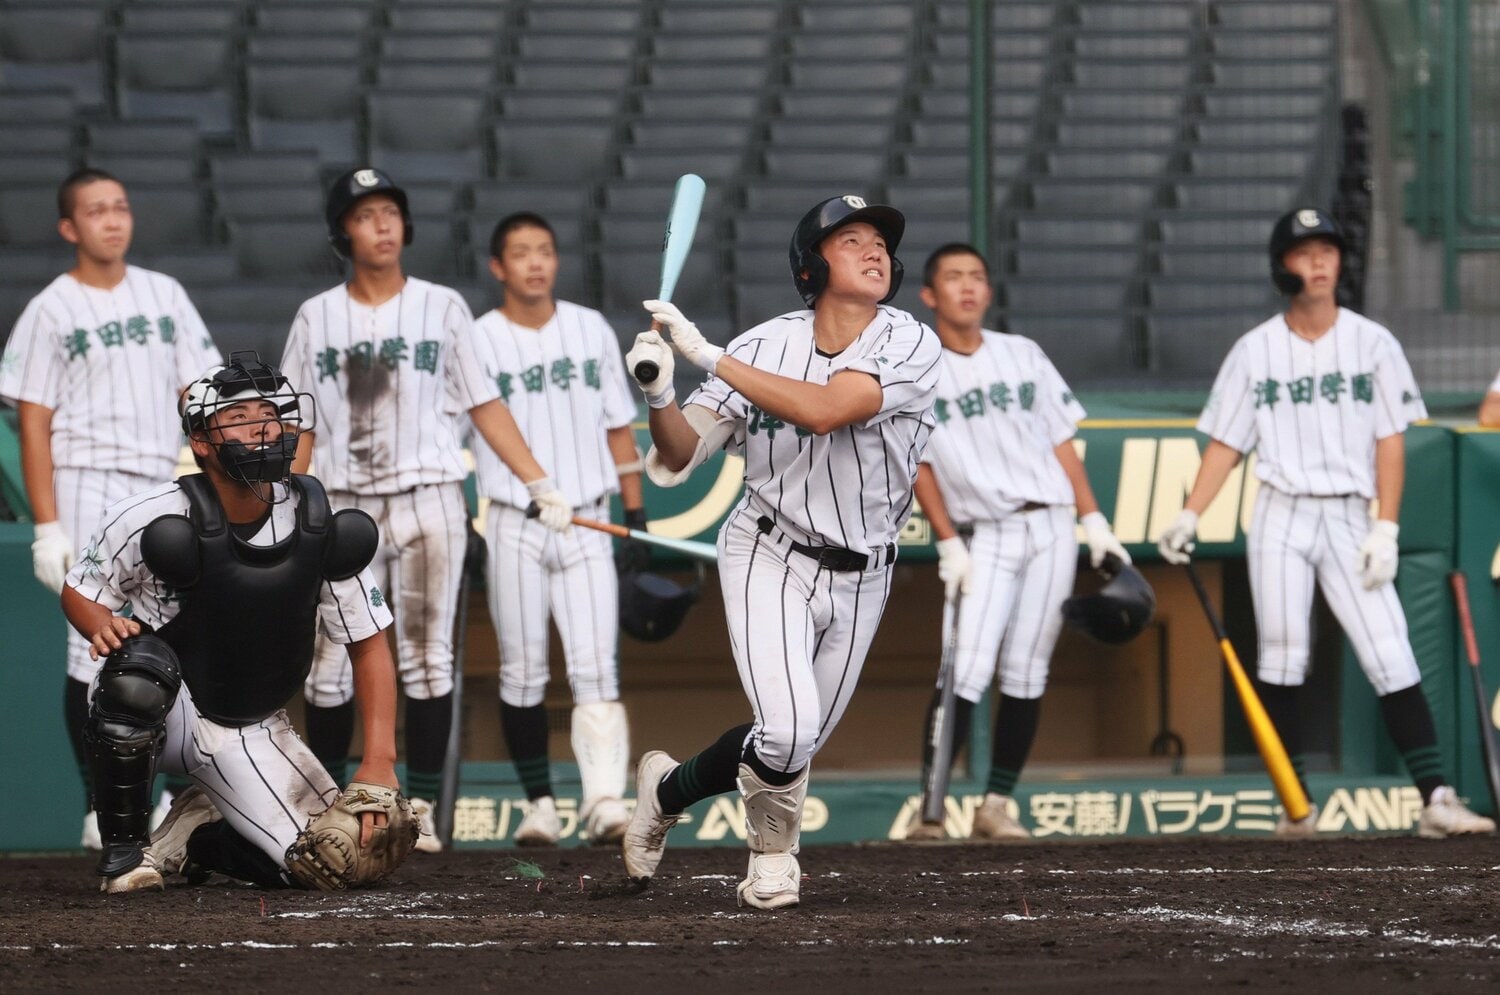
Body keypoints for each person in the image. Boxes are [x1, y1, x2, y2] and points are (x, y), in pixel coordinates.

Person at [619, 195, 941, 909]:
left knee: (787, 744)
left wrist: (705, 355)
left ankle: (667, 788)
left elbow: (828, 408)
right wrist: (661, 390)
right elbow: (678, 455)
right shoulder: (764, 345)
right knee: (789, 729)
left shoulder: (910, 341)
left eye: (880, 240)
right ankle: (774, 855)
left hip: (866, 571)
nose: (874, 249)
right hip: (770, 548)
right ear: (810, 264)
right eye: (850, 238)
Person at [1157, 207, 1495, 839]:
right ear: (1282, 265)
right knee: (1283, 656)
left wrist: (1386, 527)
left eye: (1328, 250)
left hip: (1348, 512)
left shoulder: (1373, 342)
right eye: (1304, 251)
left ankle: (1437, 798)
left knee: (1390, 651)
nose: (1318, 261)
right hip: (1281, 513)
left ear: (1342, 261)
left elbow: (1390, 441)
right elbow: (1227, 444)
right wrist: (1188, 512)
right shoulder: (1255, 349)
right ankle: (1298, 809)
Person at [281, 169, 572, 853]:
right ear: (342, 232)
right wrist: (286, 501)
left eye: (390, 212)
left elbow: (483, 404)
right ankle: (329, 799)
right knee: (328, 662)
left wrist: (538, 481)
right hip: (342, 504)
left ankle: (418, 806)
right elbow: (300, 423)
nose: (381, 224)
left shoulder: (442, 307)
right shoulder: (315, 315)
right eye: (364, 214)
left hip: (428, 498)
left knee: (427, 659)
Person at [60, 353, 408, 893]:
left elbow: (369, 643)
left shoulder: (318, 523)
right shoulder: (150, 514)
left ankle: (200, 834)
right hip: (166, 708)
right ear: (202, 441)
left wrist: (379, 763)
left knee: (336, 863)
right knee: (135, 676)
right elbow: (80, 590)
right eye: (241, 416)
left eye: (269, 413)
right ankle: (127, 857)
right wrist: (100, 623)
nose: (263, 426)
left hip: (251, 723)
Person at [0, 167, 221, 850]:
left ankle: (151, 801)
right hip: (85, 477)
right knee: (87, 646)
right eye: (96, 210)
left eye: (120, 206)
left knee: (157, 637)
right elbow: (32, 420)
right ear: (70, 226)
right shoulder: (53, 307)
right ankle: (101, 808)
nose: (112, 219)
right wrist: (46, 524)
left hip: (161, 478)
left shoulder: (165, 293)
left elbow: (200, 393)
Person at [901, 244, 1129, 841]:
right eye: (953, 278)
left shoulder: (1022, 353)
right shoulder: (919, 366)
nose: (968, 287)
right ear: (930, 295)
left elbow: (1060, 442)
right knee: (966, 668)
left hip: (1052, 523)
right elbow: (917, 463)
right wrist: (948, 541)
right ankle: (930, 810)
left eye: (977, 276)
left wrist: (1094, 520)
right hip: (985, 532)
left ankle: (996, 804)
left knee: (1027, 669)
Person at [446, 212, 647, 845]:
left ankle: (605, 801)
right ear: (498, 267)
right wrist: (465, 515)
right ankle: (540, 805)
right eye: (521, 253)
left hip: (588, 514)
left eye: (545, 251)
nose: (535, 262)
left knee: (596, 667)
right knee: (522, 670)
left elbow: (620, 423)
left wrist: (634, 513)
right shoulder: (475, 339)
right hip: (513, 516)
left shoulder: (589, 328)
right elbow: (454, 443)